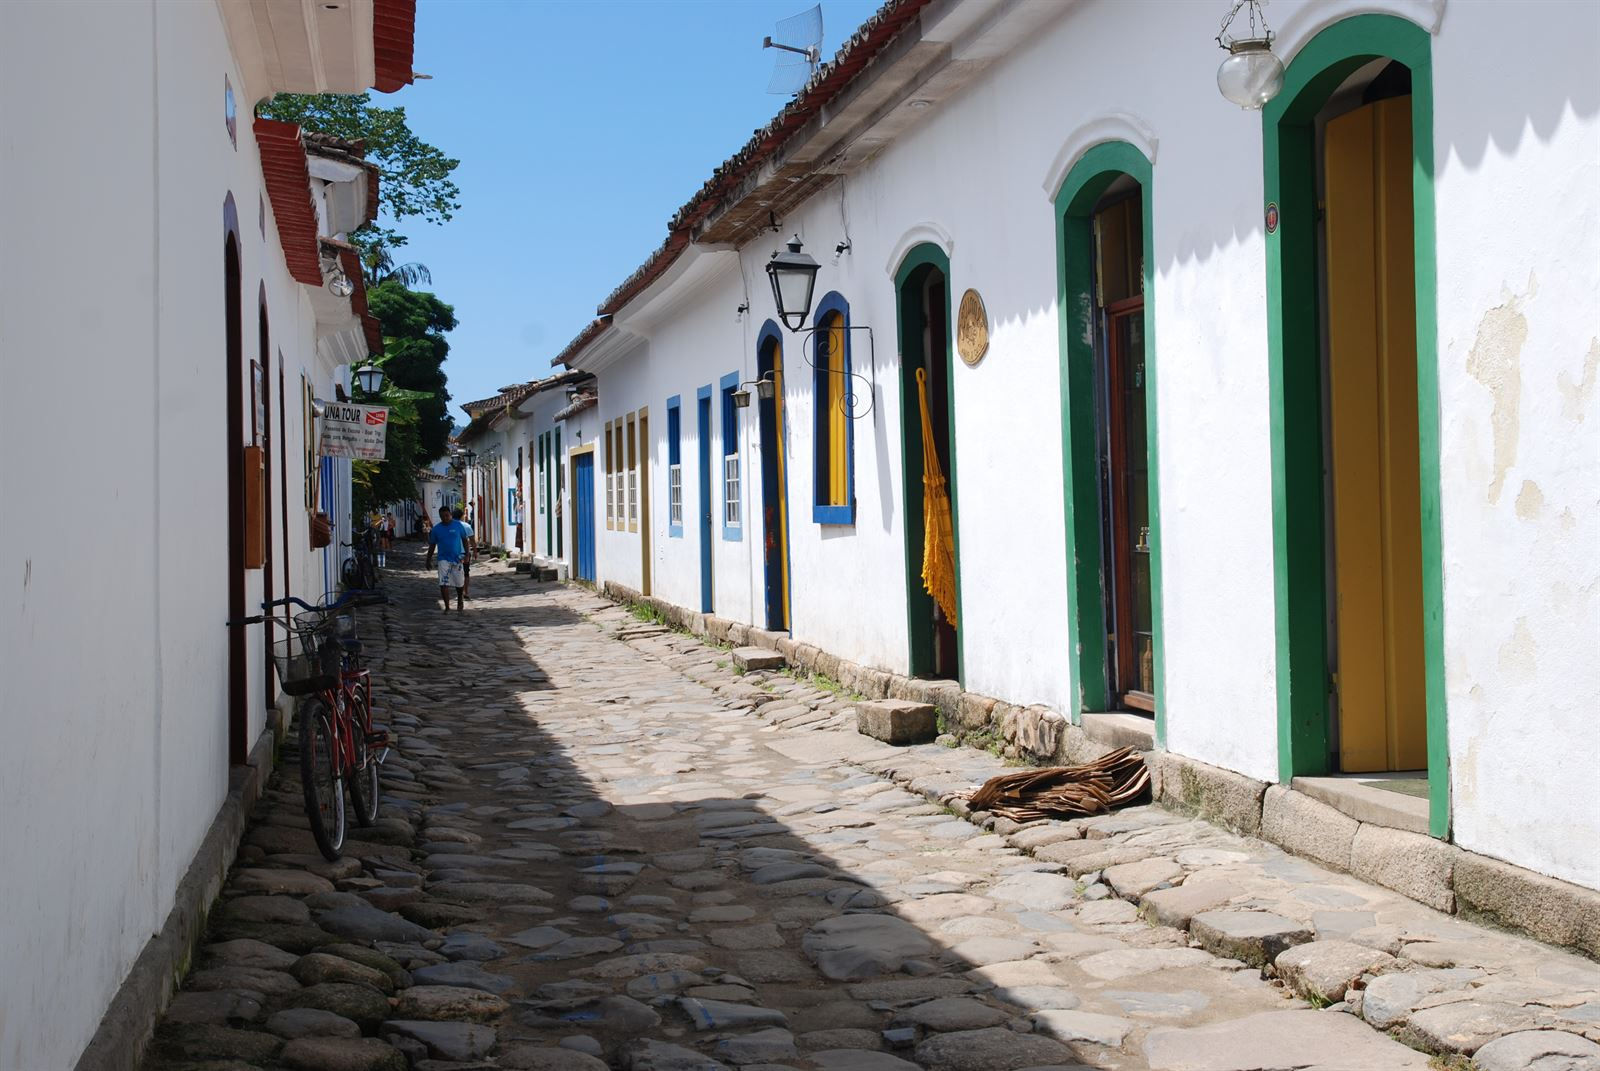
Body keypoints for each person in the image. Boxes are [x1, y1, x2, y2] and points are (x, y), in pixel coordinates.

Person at [425, 506, 470, 612]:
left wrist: (467, 554)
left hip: (457, 558)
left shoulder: (458, 525)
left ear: (450, 514)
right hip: (443, 559)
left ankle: (460, 599)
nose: (445, 518)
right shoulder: (436, 529)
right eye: (442, 516)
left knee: (459, 583)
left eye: (447, 515)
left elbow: (464, 540)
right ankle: (447, 606)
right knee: (443, 582)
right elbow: (432, 545)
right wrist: (428, 559)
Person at [453, 506, 476, 600]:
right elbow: (472, 540)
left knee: (456, 573)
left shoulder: (450, 526)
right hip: (465, 553)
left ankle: (458, 592)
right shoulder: (467, 526)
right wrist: (475, 550)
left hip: (454, 553)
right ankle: (465, 592)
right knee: (466, 573)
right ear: (462, 516)